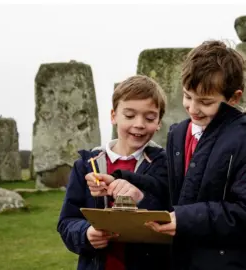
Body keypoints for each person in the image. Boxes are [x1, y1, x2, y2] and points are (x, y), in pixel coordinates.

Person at [124, 40, 246, 270]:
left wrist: (183, 220)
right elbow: (175, 194)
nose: (193, 108)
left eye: (205, 102)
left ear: (234, 98)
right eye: (187, 96)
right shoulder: (178, 133)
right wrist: (133, 186)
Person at [57, 75, 171, 270]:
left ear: (159, 121)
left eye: (150, 117)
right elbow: (67, 221)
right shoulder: (86, 165)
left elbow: (174, 213)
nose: (139, 124)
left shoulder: (166, 164)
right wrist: (86, 233)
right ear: (113, 116)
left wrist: (141, 198)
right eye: (129, 115)